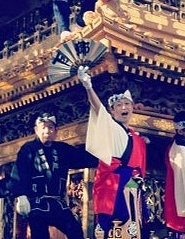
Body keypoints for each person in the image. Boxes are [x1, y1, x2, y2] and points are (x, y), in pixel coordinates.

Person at [77, 65, 148, 239]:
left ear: (132, 108)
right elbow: (97, 108)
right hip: (115, 184)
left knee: (134, 226)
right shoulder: (111, 126)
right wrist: (88, 86)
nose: (124, 107)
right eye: (119, 104)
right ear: (112, 110)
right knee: (114, 225)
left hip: (132, 185)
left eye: (127, 103)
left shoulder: (133, 135)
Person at [8, 112, 100, 239]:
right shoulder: (28, 149)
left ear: (56, 131)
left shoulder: (62, 149)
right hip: (37, 202)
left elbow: (83, 158)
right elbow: (19, 171)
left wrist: (104, 157)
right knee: (40, 235)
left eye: (51, 127)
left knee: (75, 231)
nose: (47, 131)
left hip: (57, 202)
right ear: (36, 129)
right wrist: (21, 196)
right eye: (43, 127)